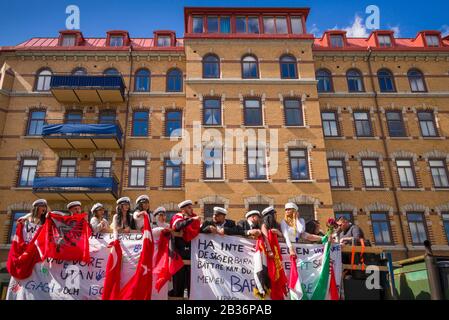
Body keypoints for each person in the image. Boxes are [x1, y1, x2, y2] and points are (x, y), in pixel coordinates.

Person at [169, 200, 201, 298]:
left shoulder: (193, 218)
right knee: (179, 287)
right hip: (179, 258)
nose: (191, 209)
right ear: (183, 210)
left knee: (192, 287)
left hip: (191, 258)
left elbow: (199, 230)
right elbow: (178, 226)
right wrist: (192, 220)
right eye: (189, 207)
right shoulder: (177, 217)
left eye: (192, 207)